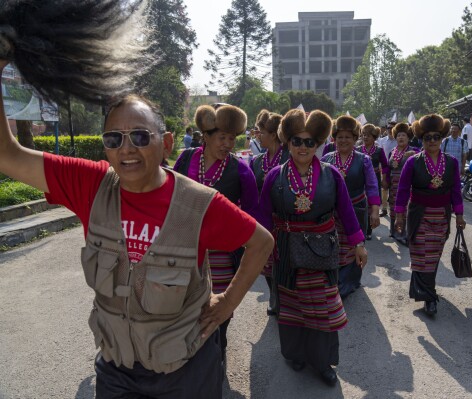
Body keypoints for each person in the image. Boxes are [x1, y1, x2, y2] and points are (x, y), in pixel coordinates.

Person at [0, 78, 273, 397]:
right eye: (113, 138)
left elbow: (261, 242)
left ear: (167, 143)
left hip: (186, 370)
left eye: (140, 136)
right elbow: (8, 156)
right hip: (118, 369)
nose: (126, 148)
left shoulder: (200, 204)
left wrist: (228, 302)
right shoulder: (89, 185)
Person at [257, 109, 366, 387]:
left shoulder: (332, 176)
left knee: (323, 306)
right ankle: (295, 354)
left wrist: (358, 244)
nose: (303, 147)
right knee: (291, 306)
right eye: (297, 141)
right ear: (287, 142)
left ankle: (322, 362)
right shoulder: (273, 176)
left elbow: (346, 212)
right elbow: (262, 217)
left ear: (318, 143)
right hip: (284, 250)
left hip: (322, 249)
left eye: (309, 142)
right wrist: (257, 251)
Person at [173, 104, 260, 365]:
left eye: (232, 138)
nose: (227, 144)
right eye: (222, 137)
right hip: (185, 246)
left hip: (222, 253)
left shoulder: (240, 169)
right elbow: (168, 193)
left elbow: (254, 212)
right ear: (206, 136)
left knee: (219, 306)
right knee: (183, 302)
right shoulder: (186, 159)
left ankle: (217, 349)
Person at [394, 114, 466, 316]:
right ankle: (429, 297)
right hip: (418, 214)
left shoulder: (451, 163)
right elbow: (402, 190)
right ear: (421, 140)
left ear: (442, 138)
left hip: (442, 215)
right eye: (427, 138)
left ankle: (425, 290)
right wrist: (399, 215)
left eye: (436, 137)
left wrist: (459, 215)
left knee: (432, 256)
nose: (432, 141)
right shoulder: (412, 162)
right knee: (420, 255)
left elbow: (455, 192)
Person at [321, 115, 380, 297]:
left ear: (355, 139)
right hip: (332, 213)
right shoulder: (327, 158)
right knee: (335, 246)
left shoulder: (364, 160)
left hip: (356, 209)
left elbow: (371, 186)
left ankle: (350, 281)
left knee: (354, 246)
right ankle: (335, 280)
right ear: (334, 139)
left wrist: (375, 211)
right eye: (340, 137)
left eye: (348, 137)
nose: (343, 140)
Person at [249, 109, 288, 316]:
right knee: (266, 263)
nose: (258, 136)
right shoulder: (256, 162)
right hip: (264, 221)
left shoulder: (289, 157)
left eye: (261, 132)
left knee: (284, 261)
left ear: (273, 134)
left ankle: (282, 295)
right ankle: (274, 293)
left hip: (285, 220)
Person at [386, 122, 418, 243]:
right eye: (398, 135)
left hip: (407, 186)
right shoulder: (392, 152)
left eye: (403, 135)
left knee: (405, 209)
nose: (400, 137)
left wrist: (414, 154)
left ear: (408, 137)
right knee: (393, 207)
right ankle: (393, 232)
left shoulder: (414, 150)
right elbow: (388, 168)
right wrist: (386, 180)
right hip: (393, 185)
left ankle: (404, 234)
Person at [357, 123, 389, 239]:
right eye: (364, 135)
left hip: (374, 179)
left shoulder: (379, 151)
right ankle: (361, 228)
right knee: (361, 203)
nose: (365, 137)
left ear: (374, 137)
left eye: (368, 135)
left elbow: (385, 166)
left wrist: (384, 179)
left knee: (372, 204)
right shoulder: (358, 150)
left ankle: (369, 229)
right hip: (360, 179)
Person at [376, 123, 398, 216]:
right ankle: (384, 208)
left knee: (395, 187)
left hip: (396, 167)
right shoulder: (382, 140)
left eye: (392, 128)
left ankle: (395, 208)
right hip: (385, 167)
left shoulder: (399, 140)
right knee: (384, 187)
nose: (390, 129)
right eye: (388, 128)